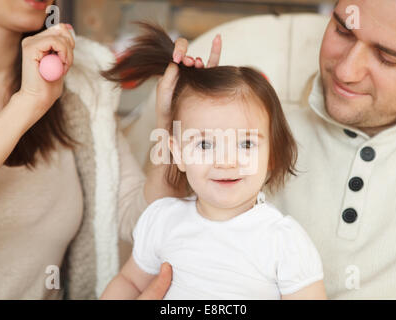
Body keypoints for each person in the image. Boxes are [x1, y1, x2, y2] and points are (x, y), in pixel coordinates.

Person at [153, 0, 396, 299]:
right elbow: (159, 235)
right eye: (342, 30)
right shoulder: (262, 135)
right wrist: (177, 121)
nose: (347, 71)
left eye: (387, 57)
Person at [99, 23, 326, 300]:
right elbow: (130, 283)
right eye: (205, 144)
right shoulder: (162, 219)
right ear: (178, 154)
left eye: (246, 143)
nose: (226, 161)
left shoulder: (284, 241)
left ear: (272, 156)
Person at [0, 0, 180, 299]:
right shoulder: (39, 94)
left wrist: (173, 125)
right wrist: (28, 104)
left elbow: (138, 219)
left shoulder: (82, 82)